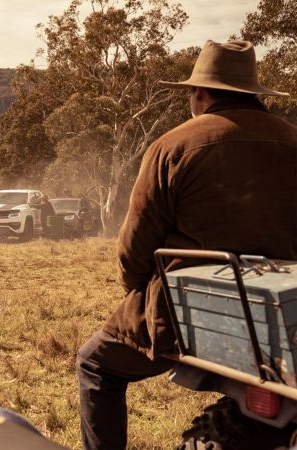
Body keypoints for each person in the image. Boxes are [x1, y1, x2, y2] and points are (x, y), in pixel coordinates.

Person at [77, 40, 297, 450]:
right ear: (253, 93)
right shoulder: (292, 140)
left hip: (194, 310)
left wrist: (138, 293)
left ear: (199, 94)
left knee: (94, 365)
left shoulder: (172, 146)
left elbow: (134, 249)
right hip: (285, 317)